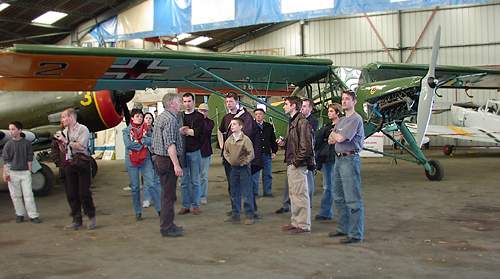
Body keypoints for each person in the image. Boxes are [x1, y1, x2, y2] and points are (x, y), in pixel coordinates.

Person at [328, 90, 365, 244]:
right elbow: (331, 139)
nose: (344, 102)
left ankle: (356, 234)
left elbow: (340, 137)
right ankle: (343, 228)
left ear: (354, 101)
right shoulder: (342, 120)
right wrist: (336, 136)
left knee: (352, 198)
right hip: (338, 160)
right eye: (342, 99)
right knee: (338, 195)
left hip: (350, 159)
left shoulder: (356, 119)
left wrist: (336, 135)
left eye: (347, 99)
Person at [278, 96, 314, 234]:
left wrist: (296, 162)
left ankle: (303, 224)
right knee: (294, 194)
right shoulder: (293, 122)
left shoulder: (302, 122)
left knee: (300, 194)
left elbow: (306, 147)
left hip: (297, 164)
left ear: (293, 106)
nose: (284, 106)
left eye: (286, 104)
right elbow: (294, 143)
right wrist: (283, 144)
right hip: (293, 162)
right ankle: (296, 222)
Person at [217, 92, 256, 216]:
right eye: (227, 102)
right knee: (232, 186)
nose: (228, 104)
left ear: (237, 102)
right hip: (230, 160)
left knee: (246, 187)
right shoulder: (226, 117)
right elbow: (220, 131)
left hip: (242, 159)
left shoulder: (246, 117)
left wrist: (244, 159)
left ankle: (250, 211)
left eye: (231, 101)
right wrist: (223, 147)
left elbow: (248, 137)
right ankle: (236, 210)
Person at [152, 93, 185, 237]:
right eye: (178, 102)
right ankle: (167, 227)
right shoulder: (171, 120)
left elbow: (162, 137)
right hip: (167, 161)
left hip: (160, 160)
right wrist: (176, 165)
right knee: (168, 195)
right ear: (172, 103)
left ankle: (168, 224)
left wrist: (178, 132)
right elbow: (170, 145)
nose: (181, 104)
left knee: (166, 193)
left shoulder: (161, 117)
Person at [57, 108, 96, 230]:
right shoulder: (64, 131)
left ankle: (91, 216)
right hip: (70, 163)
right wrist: (60, 144)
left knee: (84, 192)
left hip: (82, 163)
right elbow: (64, 150)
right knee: (71, 193)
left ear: (71, 117)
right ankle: (76, 219)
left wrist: (66, 142)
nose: (62, 120)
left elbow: (81, 146)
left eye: (64, 117)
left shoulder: (83, 129)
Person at [123, 109, 161, 221]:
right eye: (137, 116)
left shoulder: (147, 129)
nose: (140, 118)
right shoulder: (126, 131)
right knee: (135, 187)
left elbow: (152, 140)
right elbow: (128, 144)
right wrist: (142, 143)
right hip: (131, 161)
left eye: (141, 116)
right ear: (132, 118)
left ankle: (160, 209)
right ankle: (138, 212)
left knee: (151, 183)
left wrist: (141, 141)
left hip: (145, 159)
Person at [2, 121, 41, 224]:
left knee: (28, 195)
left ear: (19, 130)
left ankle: (33, 215)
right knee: (16, 195)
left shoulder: (27, 143)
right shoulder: (8, 144)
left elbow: (30, 157)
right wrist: (6, 173)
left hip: (24, 173)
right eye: (10, 129)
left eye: (13, 129)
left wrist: (28, 170)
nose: (11, 131)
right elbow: (6, 160)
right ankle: (20, 214)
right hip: (13, 173)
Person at [223, 118, 255, 225]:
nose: (232, 126)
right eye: (231, 124)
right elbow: (225, 152)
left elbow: (251, 154)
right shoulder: (229, 140)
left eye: (234, 124)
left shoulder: (245, 140)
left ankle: (249, 215)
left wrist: (244, 162)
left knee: (247, 192)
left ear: (241, 127)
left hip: (244, 169)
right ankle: (235, 215)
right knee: (234, 192)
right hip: (234, 169)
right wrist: (230, 161)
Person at [314, 103, 342, 221]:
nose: (329, 113)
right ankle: (326, 212)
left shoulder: (341, 126)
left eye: (331, 111)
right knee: (328, 186)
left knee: (330, 186)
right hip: (328, 158)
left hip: (335, 158)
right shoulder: (328, 126)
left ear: (337, 113)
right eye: (329, 111)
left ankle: (326, 212)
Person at [178, 93, 204, 215]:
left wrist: (186, 131)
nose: (187, 104)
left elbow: (198, 133)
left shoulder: (199, 116)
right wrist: (187, 131)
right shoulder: (179, 116)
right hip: (182, 153)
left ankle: (196, 205)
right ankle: (185, 205)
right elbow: (176, 131)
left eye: (189, 101)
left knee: (195, 180)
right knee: (184, 181)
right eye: (185, 101)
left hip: (195, 152)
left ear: (193, 102)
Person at [252, 108, 278, 197]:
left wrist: (274, 151)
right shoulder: (251, 126)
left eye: (260, 114)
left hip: (267, 154)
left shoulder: (269, 126)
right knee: (254, 175)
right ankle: (254, 193)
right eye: (256, 114)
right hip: (255, 155)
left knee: (268, 174)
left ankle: (267, 192)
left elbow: (273, 140)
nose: (258, 115)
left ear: (263, 115)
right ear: (254, 116)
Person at [301, 98, 318, 206]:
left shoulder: (313, 121)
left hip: (308, 154)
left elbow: (309, 138)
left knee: (309, 179)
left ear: (310, 108)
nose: (302, 108)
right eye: (301, 106)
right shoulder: (297, 119)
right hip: (299, 154)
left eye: (305, 106)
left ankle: (308, 203)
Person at [198, 103, 214, 205]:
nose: (203, 112)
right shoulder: (194, 121)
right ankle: (195, 195)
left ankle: (203, 196)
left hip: (205, 152)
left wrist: (201, 120)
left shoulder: (210, 123)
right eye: (201, 110)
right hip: (194, 152)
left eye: (205, 111)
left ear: (207, 112)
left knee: (203, 176)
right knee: (194, 176)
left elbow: (205, 131)